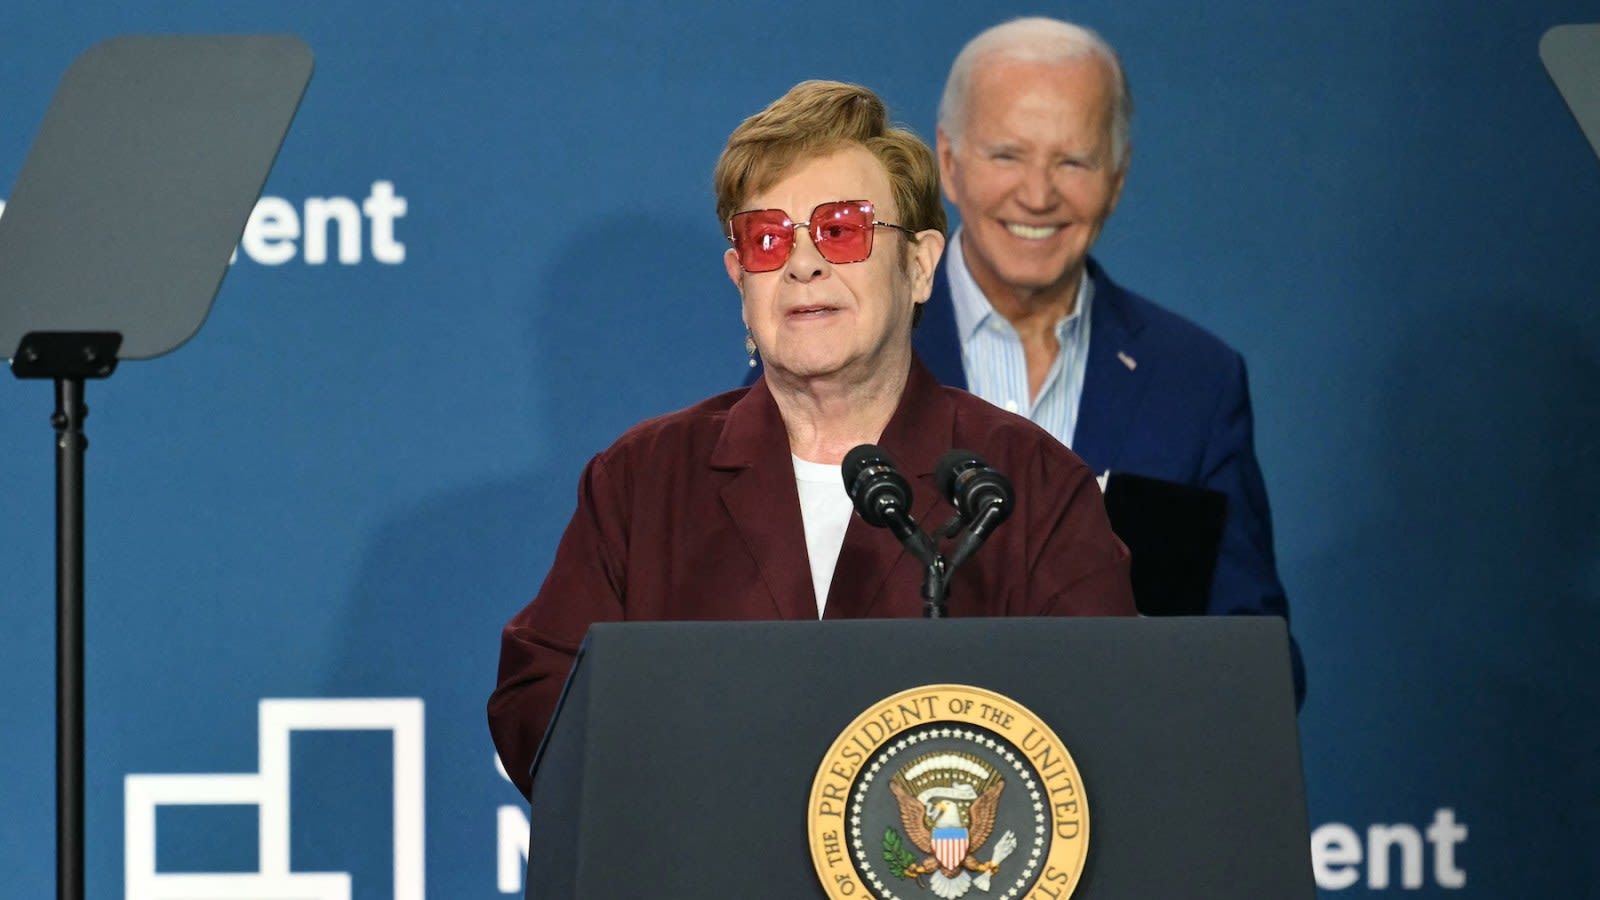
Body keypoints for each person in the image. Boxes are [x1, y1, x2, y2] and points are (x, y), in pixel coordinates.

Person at [488, 80, 1136, 799]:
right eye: (766, 239)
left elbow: (1111, 723)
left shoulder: (1022, 482)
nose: (802, 264)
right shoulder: (646, 479)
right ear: (741, 279)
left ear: (920, 266)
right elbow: (535, 702)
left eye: (841, 229)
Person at [917, 17, 1304, 705]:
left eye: (1074, 161)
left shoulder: (1196, 382)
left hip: (1123, 791)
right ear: (949, 162)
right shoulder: (847, 354)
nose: (1038, 194)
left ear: (1118, 178)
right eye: (1007, 154)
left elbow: (1260, 661)